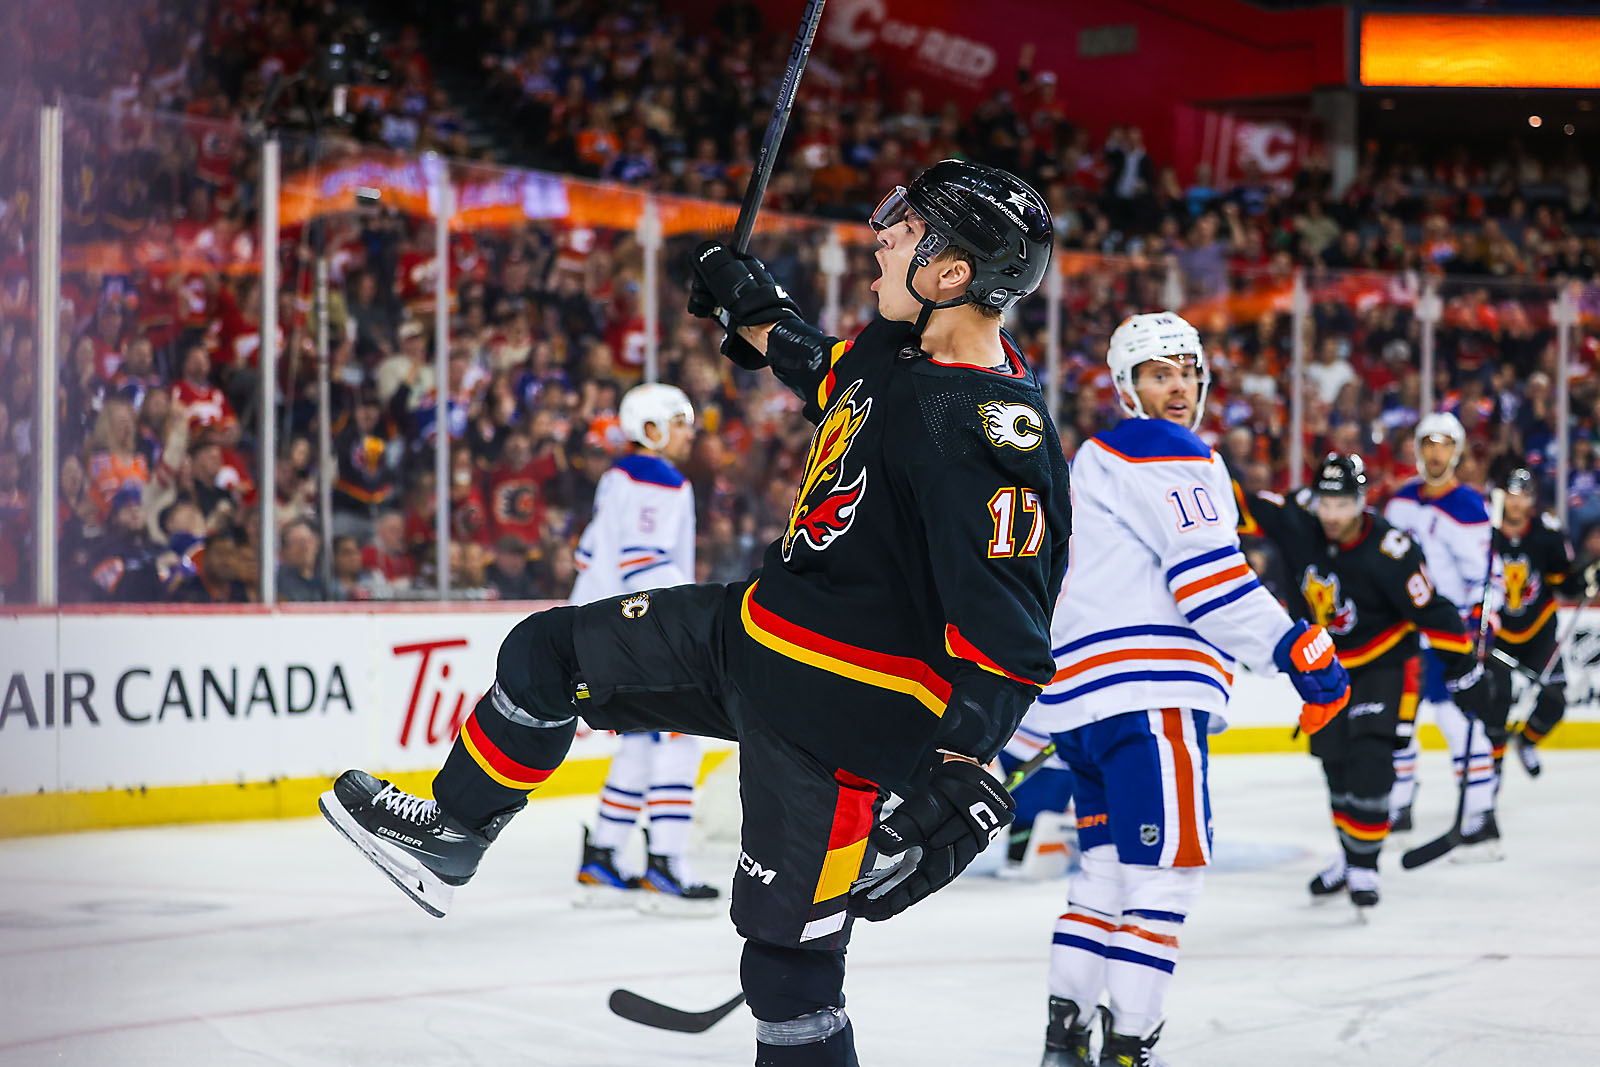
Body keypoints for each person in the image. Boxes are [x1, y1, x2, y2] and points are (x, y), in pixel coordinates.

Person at [320, 160, 1069, 1067]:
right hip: (748, 636)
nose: (881, 235)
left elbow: (1011, 639)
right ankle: (453, 831)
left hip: (841, 717)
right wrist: (752, 312)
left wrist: (953, 772)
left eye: (905, 231)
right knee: (545, 653)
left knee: (789, 973)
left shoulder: (992, 434)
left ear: (953, 274)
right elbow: (827, 370)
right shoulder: (899, 346)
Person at [1027, 312, 1350, 1067]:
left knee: (1104, 872)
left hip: (1083, 700)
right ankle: (1130, 1048)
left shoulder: (1093, 460)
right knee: (1167, 879)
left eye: (1186, 371)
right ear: (1127, 387)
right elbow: (1210, 584)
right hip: (1149, 697)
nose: (1177, 387)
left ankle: (1063, 1039)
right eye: (1158, 373)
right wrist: (1299, 650)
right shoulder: (1170, 451)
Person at [1236, 454, 1496, 909]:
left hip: (1383, 664)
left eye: (1343, 505)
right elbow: (1239, 503)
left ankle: (1364, 867)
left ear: (1361, 502)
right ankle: (1350, 853)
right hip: (1322, 665)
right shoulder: (1300, 520)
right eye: (1325, 504)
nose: (1332, 516)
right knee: (1335, 768)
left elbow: (1431, 611)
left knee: (1372, 761)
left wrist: (1463, 667)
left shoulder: (1391, 550)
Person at [561, 382, 717, 910]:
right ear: (650, 429)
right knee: (680, 738)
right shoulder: (656, 477)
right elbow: (643, 562)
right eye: (679, 420)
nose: (689, 431)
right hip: (638, 627)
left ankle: (602, 857)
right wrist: (695, 613)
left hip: (600, 628)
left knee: (639, 741)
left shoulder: (617, 478)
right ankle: (666, 866)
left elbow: (590, 557)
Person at [1381, 413, 1498, 846]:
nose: (1435, 452)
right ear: (1417, 448)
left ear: (1458, 450)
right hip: (1402, 634)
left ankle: (1481, 810)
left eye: (1445, 443)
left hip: (1447, 632)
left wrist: (1482, 621)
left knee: (1454, 719)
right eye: (1428, 443)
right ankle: (1399, 803)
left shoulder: (1468, 506)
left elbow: (1489, 576)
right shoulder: (1400, 504)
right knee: (1398, 721)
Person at [1487, 469, 1579, 779]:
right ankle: (1493, 765)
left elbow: (1564, 582)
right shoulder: (1484, 534)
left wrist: (1586, 577)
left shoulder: (1546, 533)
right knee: (1494, 704)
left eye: (1522, 496)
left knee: (1555, 699)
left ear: (1532, 500)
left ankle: (1526, 741)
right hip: (1495, 636)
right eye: (1510, 495)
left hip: (1538, 632)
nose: (1516, 503)